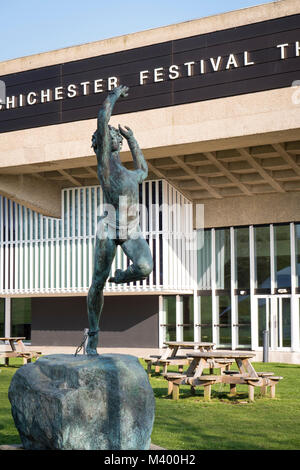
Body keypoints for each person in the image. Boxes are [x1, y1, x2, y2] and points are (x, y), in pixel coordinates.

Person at [86, 84, 153, 355]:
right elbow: (103, 118)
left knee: (145, 267)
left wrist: (134, 139)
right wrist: (114, 96)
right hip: (109, 229)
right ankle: (93, 335)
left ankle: (122, 277)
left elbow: (144, 170)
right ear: (103, 142)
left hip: (131, 229)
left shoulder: (128, 174)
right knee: (97, 282)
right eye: (113, 135)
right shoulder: (106, 165)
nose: (117, 136)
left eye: (118, 136)